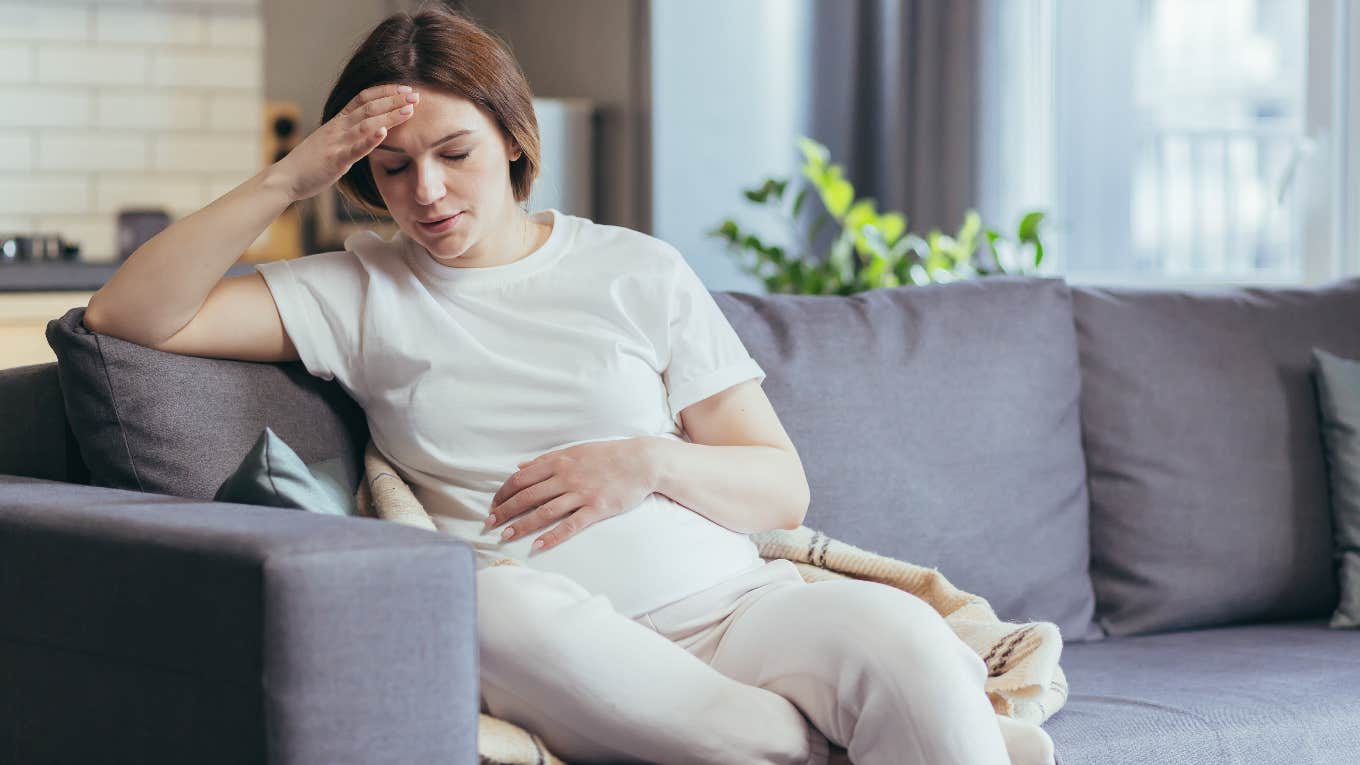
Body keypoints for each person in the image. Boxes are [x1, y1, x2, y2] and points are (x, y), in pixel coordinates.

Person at [83, 7, 1056, 765]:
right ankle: (806, 745)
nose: (425, 192)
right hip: (543, 626)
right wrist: (288, 178)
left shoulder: (635, 269)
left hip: (733, 602)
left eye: (453, 154)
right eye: (390, 169)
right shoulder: (355, 290)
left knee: (907, 645)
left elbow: (778, 486)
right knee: (470, 604)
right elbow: (131, 315)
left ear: (512, 138)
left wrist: (647, 462)